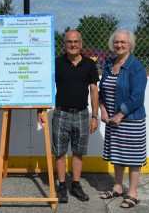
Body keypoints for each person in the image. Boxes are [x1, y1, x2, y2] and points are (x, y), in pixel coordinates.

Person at [37, 29, 99, 203]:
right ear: (64, 44)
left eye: (76, 42)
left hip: (82, 114)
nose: (73, 45)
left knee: (78, 152)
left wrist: (95, 116)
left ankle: (76, 185)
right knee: (60, 152)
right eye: (69, 42)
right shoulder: (56, 63)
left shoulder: (89, 64)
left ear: (81, 44)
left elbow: (94, 91)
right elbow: (45, 88)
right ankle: (62, 186)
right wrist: (39, 110)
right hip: (61, 113)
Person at [98, 30, 147, 209]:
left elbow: (137, 96)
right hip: (112, 121)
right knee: (117, 155)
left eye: (123, 42)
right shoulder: (108, 65)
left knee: (133, 158)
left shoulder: (136, 67)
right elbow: (102, 91)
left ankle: (133, 192)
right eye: (116, 42)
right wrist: (103, 110)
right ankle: (118, 187)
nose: (119, 45)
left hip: (131, 120)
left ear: (130, 45)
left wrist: (120, 114)